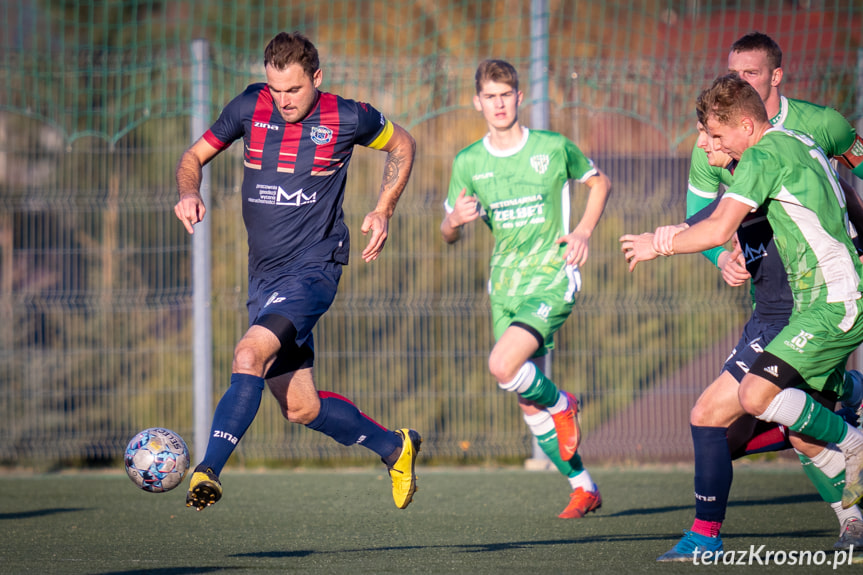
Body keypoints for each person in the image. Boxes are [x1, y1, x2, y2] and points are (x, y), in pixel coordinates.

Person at [173, 32, 420, 511]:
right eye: (276, 89)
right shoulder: (249, 106)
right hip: (263, 277)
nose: (284, 100)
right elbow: (192, 157)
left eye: (294, 90)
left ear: (317, 79)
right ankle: (395, 448)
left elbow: (403, 145)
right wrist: (189, 191)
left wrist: (384, 208)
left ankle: (208, 471)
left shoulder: (348, 116)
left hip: (313, 270)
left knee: (249, 354)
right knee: (300, 406)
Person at [620, 73, 863, 556]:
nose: (710, 146)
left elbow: (718, 229)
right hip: (818, 305)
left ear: (747, 126)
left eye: (717, 135)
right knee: (793, 425)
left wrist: (658, 244)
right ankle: (851, 504)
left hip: (832, 304)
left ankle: (854, 440)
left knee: (751, 400)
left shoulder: (764, 155)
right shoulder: (795, 140)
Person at [441, 59, 611, 518]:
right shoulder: (468, 162)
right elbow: (448, 230)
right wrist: (454, 222)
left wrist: (583, 232)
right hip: (506, 286)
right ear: (478, 102)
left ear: (520, 97)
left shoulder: (553, 148)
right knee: (525, 400)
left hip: (553, 274)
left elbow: (599, 182)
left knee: (503, 364)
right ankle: (583, 486)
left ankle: (564, 402)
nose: (498, 104)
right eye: (489, 96)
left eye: (506, 94)